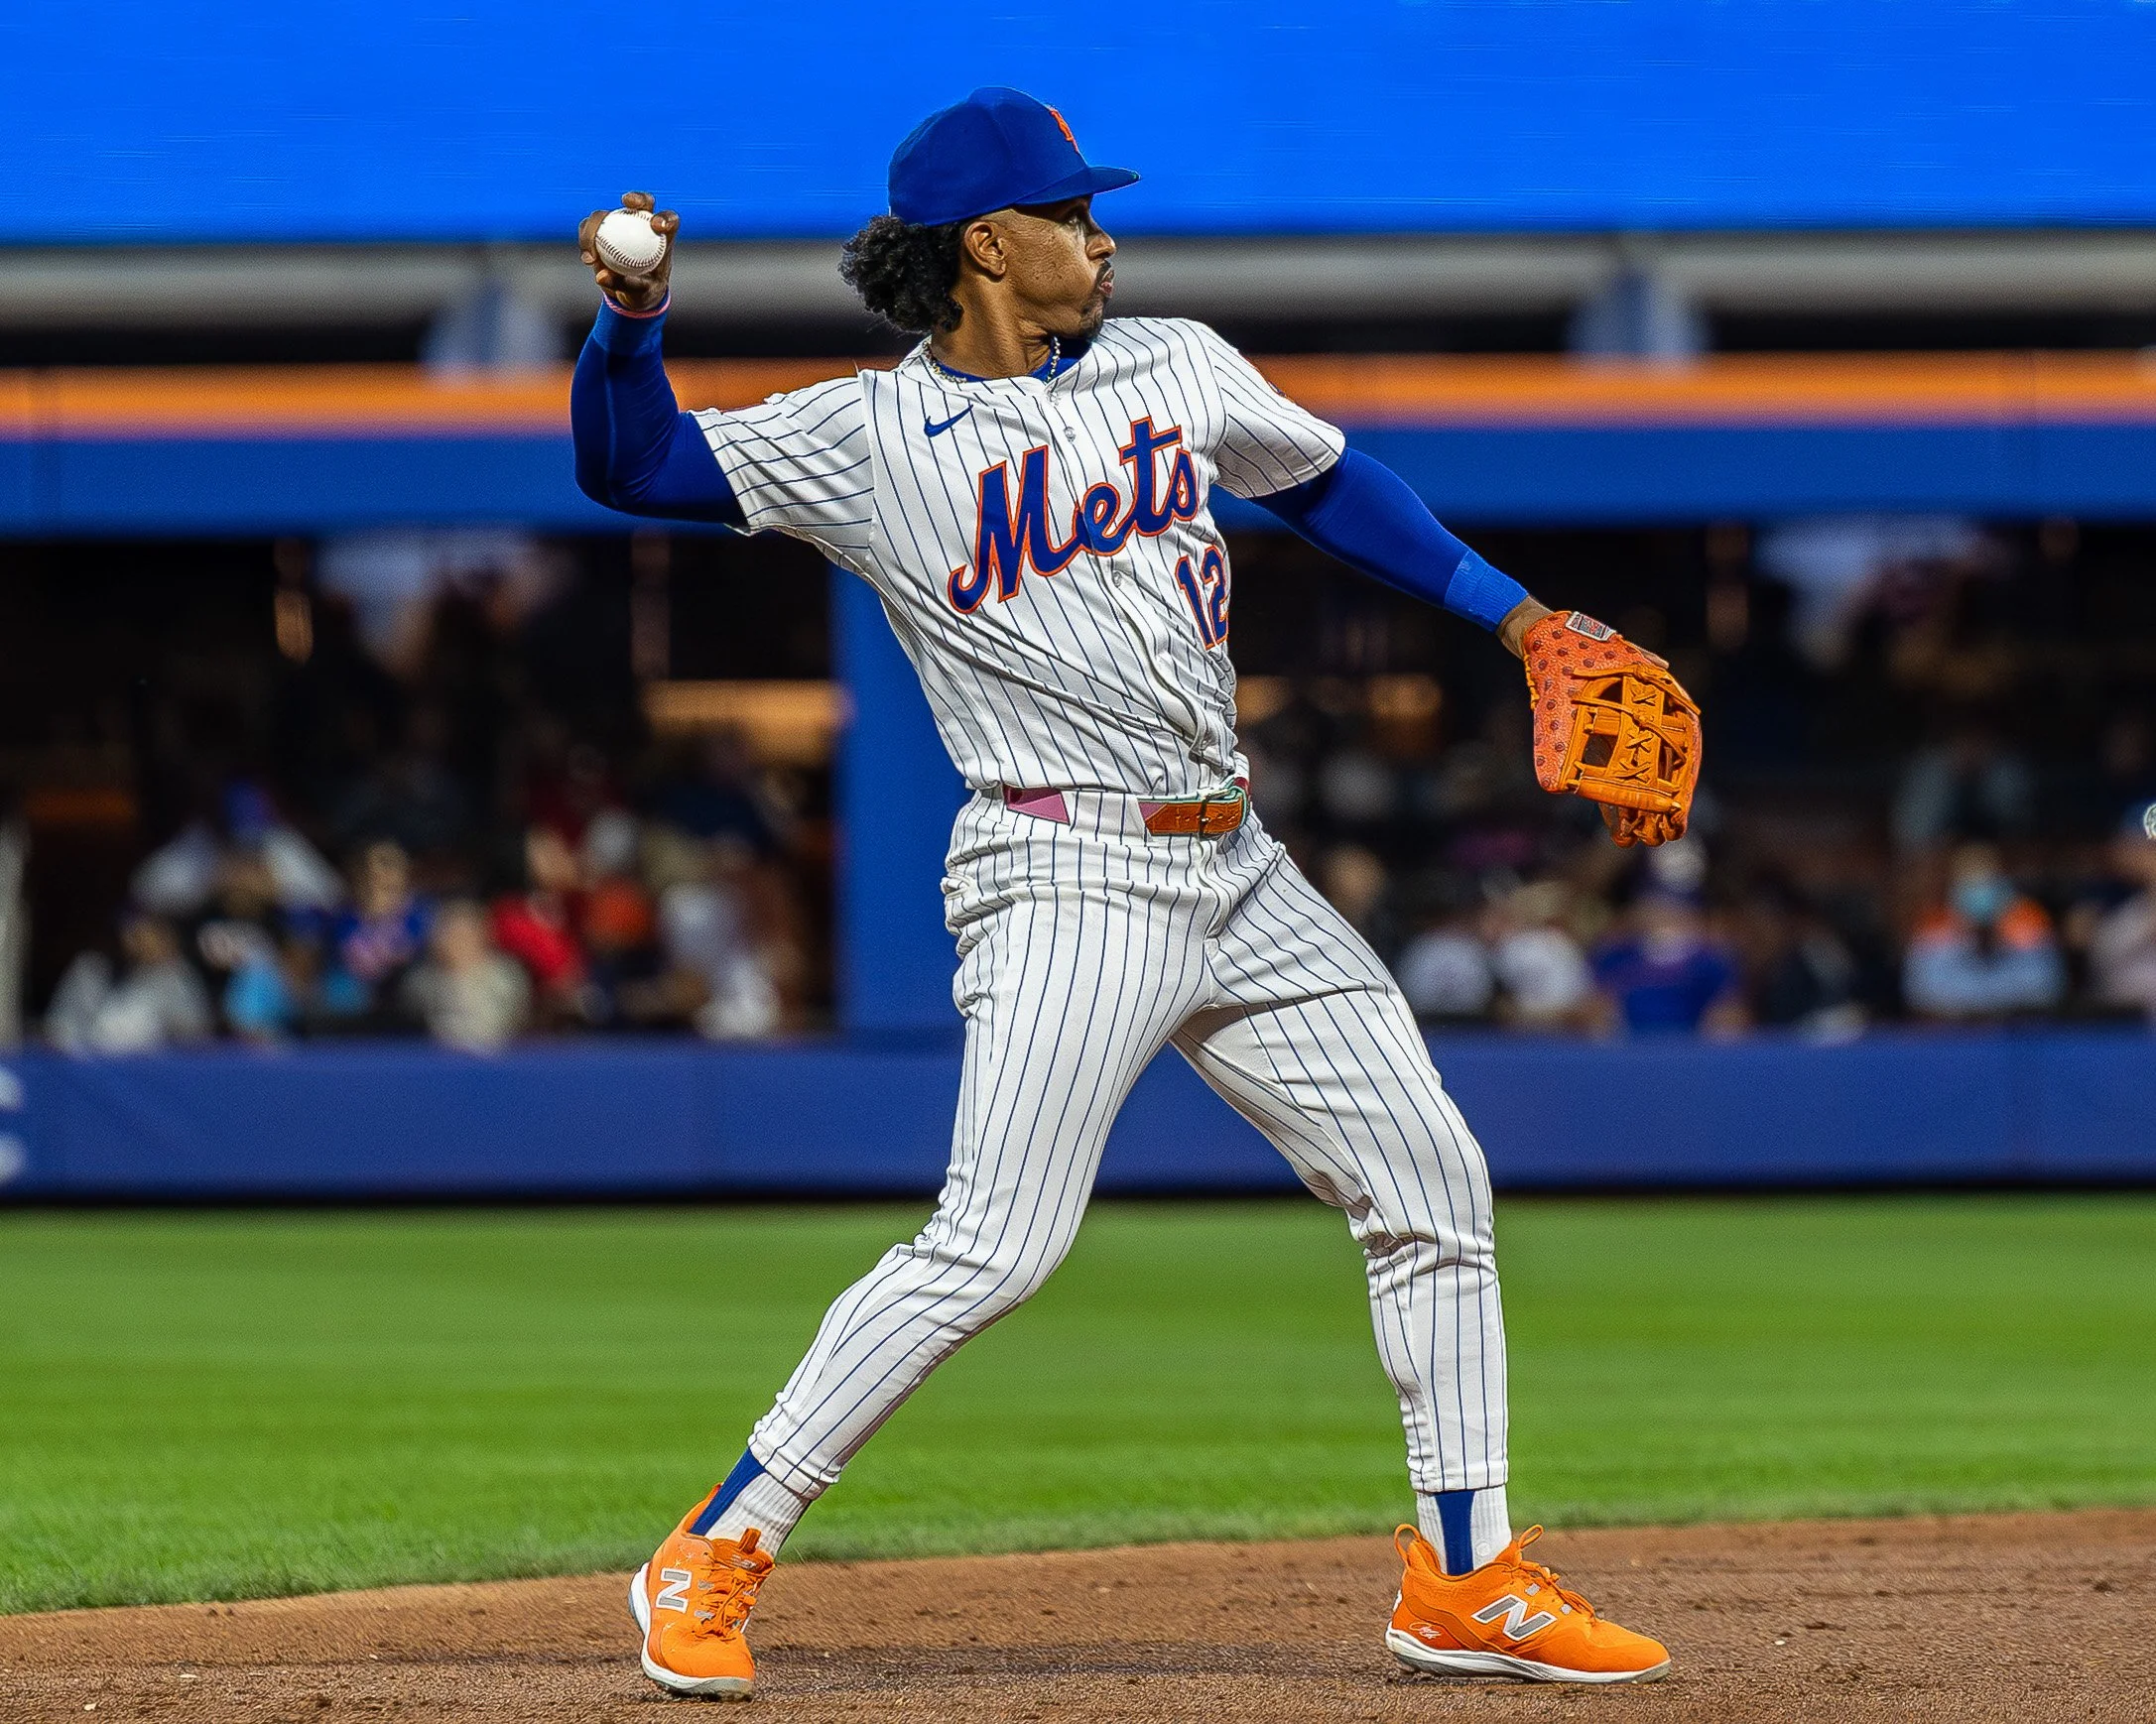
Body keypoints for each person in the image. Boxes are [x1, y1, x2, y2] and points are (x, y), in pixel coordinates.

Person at [572, 87, 1674, 1696]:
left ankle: (1463, 1571)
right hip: (1058, 863)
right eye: (1071, 214)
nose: (1101, 235)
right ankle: (714, 1544)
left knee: (1430, 1180)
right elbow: (637, 468)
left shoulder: (1176, 363)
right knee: (995, 1243)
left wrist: (1518, 621)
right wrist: (630, 321)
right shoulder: (871, 436)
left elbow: (1326, 484)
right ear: (987, 244)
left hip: (1231, 863)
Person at [1904, 842, 2064, 1020]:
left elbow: (2045, 985)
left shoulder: (2027, 918)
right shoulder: (1935, 923)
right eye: (1970, 880)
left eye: (1985, 879)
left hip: (2018, 1028)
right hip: (1954, 1030)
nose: (1978, 888)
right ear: (1955, 884)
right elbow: (1924, 991)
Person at [400, 898, 530, 1052]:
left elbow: (514, 1021)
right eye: (450, 935)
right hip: (438, 1061)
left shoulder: (506, 977)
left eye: (465, 935)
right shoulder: (420, 981)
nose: (457, 943)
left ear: (481, 937)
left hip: (495, 1060)